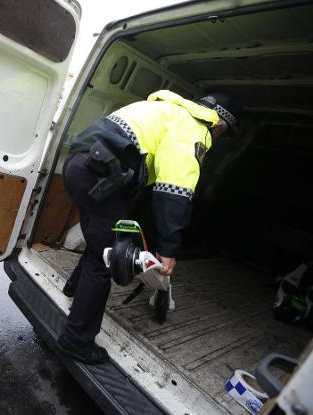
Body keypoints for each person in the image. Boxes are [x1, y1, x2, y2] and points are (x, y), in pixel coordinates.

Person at [57, 90, 240, 364]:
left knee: (99, 243)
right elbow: (174, 193)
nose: (219, 138)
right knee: (107, 260)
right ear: (220, 124)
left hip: (80, 165)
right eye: (224, 134)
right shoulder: (194, 130)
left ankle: (73, 288)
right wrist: (167, 251)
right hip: (101, 175)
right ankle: (76, 341)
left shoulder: (169, 110)